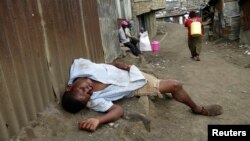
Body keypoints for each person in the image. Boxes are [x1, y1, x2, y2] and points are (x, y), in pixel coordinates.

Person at [61, 58, 223, 132]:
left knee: (160, 82)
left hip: (131, 71)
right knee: (175, 85)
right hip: (137, 85)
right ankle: (197, 108)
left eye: (82, 90)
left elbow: (101, 65)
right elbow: (118, 110)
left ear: (69, 86)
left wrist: (117, 65)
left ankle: (165, 92)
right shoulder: (95, 100)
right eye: (87, 95)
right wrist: (99, 120)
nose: (88, 90)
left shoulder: (80, 66)